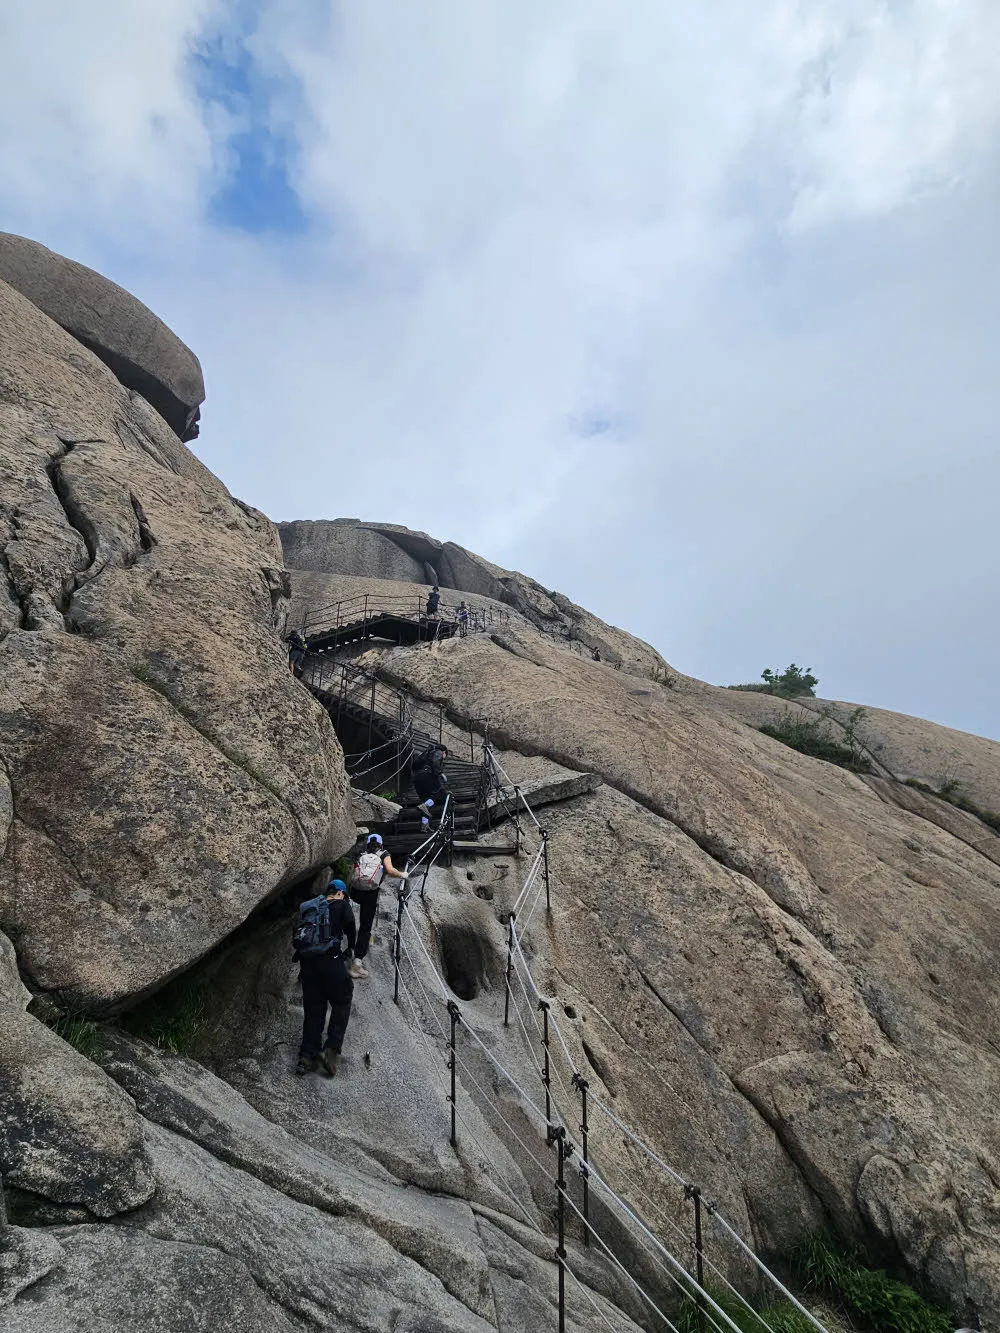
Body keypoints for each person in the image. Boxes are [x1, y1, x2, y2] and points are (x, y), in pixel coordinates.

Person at [294, 878, 355, 1077]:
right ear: (340, 893)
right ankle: (330, 1051)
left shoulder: (313, 908)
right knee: (343, 998)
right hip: (331, 961)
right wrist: (350, 949)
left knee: (314, 1009)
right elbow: (351, 926)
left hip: (308, 964)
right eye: (343, 894)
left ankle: (306, 1057)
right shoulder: (341, 905)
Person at [348, 833, 408, 979]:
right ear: (381, 844)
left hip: (355, 892)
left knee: (355, 919)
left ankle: (351, 944)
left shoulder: (361, 854)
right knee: (365, 926)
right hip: (370, 894)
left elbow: (351, 873)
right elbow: (390, 870)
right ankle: (356, 964)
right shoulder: (384, 854)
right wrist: (403, 875)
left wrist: (347, 889)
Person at [412, 743, 448, 826]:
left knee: (426, 799)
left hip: (417, 778)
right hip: (427, 775)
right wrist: (440, 773)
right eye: (446, 755)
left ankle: (425, 824)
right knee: (440, 793)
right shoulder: (438, 752)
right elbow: (436, 762)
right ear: (444, 752)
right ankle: (426, 806)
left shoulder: (426, 754)